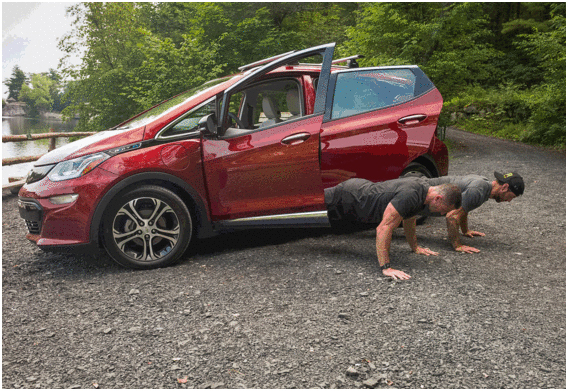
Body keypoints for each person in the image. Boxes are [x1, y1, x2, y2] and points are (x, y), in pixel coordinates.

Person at [325, 177, 462, 280]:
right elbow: (384, 228)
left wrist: (415, 248)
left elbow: (409, 220)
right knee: (307, 209)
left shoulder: (423, 194)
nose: (442, 214)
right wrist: (386, 268)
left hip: (357, 194)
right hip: (348, 196)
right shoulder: (410, 195)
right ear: (438, 198)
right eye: (444, 210)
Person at [420, 171, 525, 254]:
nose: (509, 201)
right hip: (417, 194)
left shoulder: (484, 185)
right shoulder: (479, 190)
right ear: (505, 187)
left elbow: (465, 207)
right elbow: (452, 216)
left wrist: (465, 230)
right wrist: (457, 245)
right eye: (512, 197)